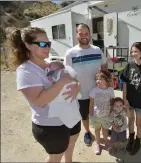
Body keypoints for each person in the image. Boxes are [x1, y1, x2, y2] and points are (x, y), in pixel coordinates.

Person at [6, 26, 80, 163]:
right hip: (50, 126)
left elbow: (73, 79)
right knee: (55, 158)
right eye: (42, 44)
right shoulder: (25, 71)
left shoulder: (50, 64)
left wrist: (77, 86)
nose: (47, 47)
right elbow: (39, 101)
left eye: (48, 43)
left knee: (68, 146)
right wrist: (62, 82)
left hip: (67, 118)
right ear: (28, 45)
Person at [64, 23, 108, 146]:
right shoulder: (70, 53)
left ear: (90, 35)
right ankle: (88, 132)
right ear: (76, 34)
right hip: (81, 93)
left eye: (86, 33)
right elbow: (67, 74)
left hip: (98, 91)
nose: (84, 36)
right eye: (81, 33)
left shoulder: (97, 50)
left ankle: (103, 127)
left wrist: (106, 80)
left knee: (101, 111)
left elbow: (104, 64)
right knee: (85, 115)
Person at [46, 60, 82, 129]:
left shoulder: (64, 71)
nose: (50, 68)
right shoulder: (51, 72)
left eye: (52, 67)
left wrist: (77, 85)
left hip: (68, 93)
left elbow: (74, 80)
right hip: (62, 97)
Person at [89, 70, 114, 154]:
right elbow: (91, 104)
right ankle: (97, 144)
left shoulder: (110, 90)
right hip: (96, 116)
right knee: (97, 130)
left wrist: (111, 114)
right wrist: (91, 116)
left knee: (105, 130)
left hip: (106, 116)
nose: (97, 81)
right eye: (97, 79)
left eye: (100, 79)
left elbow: (112, 103)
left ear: (106, 80)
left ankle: (106, 142)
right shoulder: (94, 90)